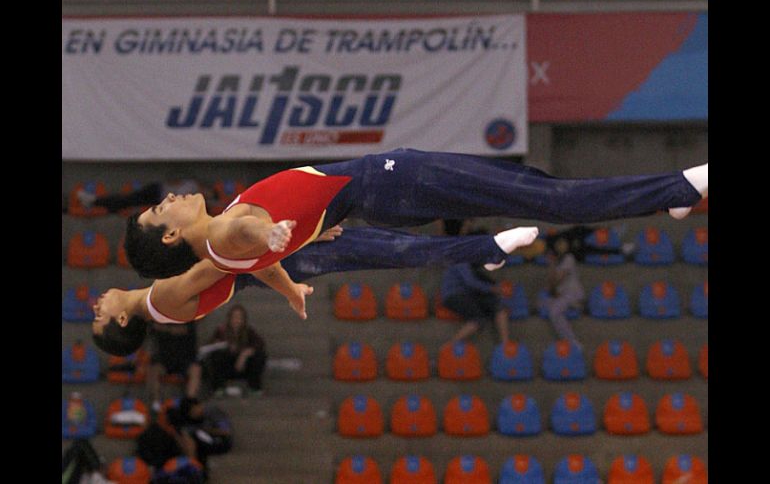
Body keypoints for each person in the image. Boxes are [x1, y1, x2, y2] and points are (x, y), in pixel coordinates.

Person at [123, 148, 707, 284]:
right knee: (547, 200)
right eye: (160, 209)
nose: (168, 197)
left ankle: (664, 198)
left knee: (526, 187)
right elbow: (251, 231)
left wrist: (300, 245)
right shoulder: (228, 230)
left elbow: (253, 254)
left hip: (386, 198)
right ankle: (683, 185)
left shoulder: (223, 254)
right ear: (172, 232)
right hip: (395, 181)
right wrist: (271, 231)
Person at [92, 225, 537, 356]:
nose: (96, 304)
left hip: (267, 261)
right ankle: (481, 250)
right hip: (273, 261)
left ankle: (479, 251)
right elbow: (220, 260)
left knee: (384, 248)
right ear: (123, 319)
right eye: (99, 315)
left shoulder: (159, 303)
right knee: (387, 249)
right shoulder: (161, 300)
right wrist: (301, 239)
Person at [440, 231, 511, 344]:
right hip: (455, 295)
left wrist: (494, 288)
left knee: (499, 305)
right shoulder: (461, 257)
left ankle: (505, 344)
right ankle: (450, 346)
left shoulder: (472, 262)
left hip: (468, 294)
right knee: (477, 319)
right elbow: (471, 282)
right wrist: (493, 289)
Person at [201, 304, 267, 398]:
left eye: (239, 317)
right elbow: (210, 346)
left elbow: (259, 344)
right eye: (234, 317)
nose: (236, 320)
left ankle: (254, 387)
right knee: (216, 356)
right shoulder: (221, 331)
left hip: (243, 367)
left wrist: (244, 354)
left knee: (259, 356)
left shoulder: (249, 332)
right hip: (226, 366)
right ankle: (218, 387)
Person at [166, 397, 233, 478]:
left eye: (194, 411)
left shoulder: (212, 411)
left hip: (220, 441)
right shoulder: (189, 420)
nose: (194, 415)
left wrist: (205, 430)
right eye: (191, 413)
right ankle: (192, 467)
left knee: (192, 435)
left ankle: (192, 467)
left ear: (198, 405)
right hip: (203, 441)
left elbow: (226, 432)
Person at [146, 322, 202, 412]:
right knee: (153, 369)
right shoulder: (160, 316)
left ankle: (189, 402)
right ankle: (156, 403)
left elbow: (182, 330)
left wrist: (165, 329)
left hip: (185, 358)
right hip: (164, 359)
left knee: (196, 369)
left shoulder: (189, 317)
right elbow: (152, 326)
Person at [76, 178, 215, 214]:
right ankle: (96, 201)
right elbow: (175, 182)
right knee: (128, 199)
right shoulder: (193, 185)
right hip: (158, 190)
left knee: (128, 201)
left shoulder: (197, 203)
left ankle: (96, 202)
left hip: (161, 200)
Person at [540, 237, 586, 350]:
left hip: (573, 294)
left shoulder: (569, 258)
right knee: (541, 303)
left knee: (554, 312)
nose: (561, 246)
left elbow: (556, 281)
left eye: (563, 244)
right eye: (559, 244)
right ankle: (572, 306)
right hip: (561, 295)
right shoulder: (555, 263)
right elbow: (550, 288)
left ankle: (573, 342)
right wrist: (552, 264)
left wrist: (552, 266)